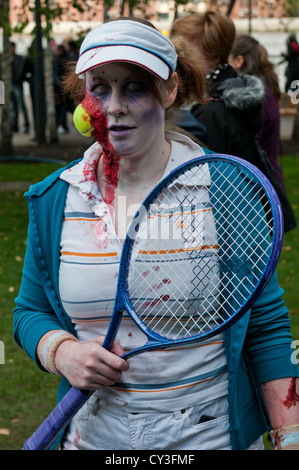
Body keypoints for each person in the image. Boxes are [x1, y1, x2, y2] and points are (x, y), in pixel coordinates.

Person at [13, 17, 299, 451]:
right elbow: (29, 313)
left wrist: (290, 437)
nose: (113, 107)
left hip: (209, 438)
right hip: (92, 439)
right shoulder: (55, 199)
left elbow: (266, 326)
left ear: (170, 90)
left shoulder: (223, 189)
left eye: (135, 87)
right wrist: (61, 353)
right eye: (99, 88)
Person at [170, 12, 265, 165]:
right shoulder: (233, 89)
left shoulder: (210, 111)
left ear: (213, 54)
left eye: (183, 51)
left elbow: (207, 174)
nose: (177, 59)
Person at [229, 34, 285, 190]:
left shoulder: (256, 97)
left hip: (261, 182)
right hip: (266, 176)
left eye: (228, 60)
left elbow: (251, 142)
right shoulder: (263, 90)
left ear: (239, 61)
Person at [10, 42, 30, 134]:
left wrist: (21, 78)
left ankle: (26, 125)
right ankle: (15, 125)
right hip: (11, 84)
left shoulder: (20, 59)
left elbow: (22, 70)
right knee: (13, 107)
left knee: (21, 105)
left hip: (17, 84)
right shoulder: (7, 59)